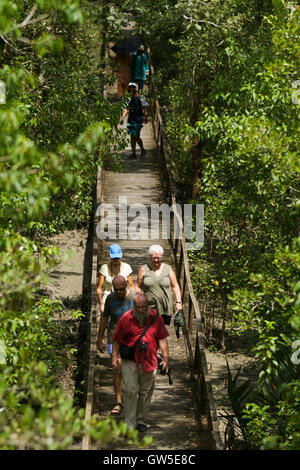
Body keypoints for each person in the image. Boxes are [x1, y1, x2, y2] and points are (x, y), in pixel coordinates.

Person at [112, 292, 169, 432]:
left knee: (145, 392)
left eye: (144, 307)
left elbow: (162, 338)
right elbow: (116, 340)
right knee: (130, 390)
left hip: (149, 360)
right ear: (134, 306)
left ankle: (141, 420)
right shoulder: (126, 319)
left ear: (148, 305)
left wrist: (166, 358)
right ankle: (130, 424)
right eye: (138, 307)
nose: (141, 310)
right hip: (130, 361)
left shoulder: (155, 317)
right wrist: (114, 357)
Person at [97, 275, 135, 416]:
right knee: (117, 368)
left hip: (132, 338)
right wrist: (99, 338)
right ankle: (118, 401)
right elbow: (105, 318)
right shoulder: (110, 298)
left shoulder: (134, 297)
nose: (119, 292)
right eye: (116, 290)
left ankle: (131, 400)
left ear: (126, 286)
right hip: (114, 337)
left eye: (121, 289)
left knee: (131, 369)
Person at [136, 244, 183, 325]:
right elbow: (138, 286)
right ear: (150, 257)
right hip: (149, 307)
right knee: (149, 332)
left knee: (162, 334)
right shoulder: (143, 269)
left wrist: (179, 302)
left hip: (165, 308)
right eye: (154, 258)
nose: (156, 260)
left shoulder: (168, 269)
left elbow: (175, 286)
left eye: (158, 258)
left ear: (162, 257)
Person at [120, 82, 146, 158]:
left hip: (138, 119)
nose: (131, 89)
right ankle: (134, 153)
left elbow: (144, 107)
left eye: (133, 87)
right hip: (131, 120)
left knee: (136, 136)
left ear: (135, 88)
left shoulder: (141, 97)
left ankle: (142, 149)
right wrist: (122, 118)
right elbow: (126, 109)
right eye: (130, 87)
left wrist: (145, 117)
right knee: (132, 136)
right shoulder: (127, 98)